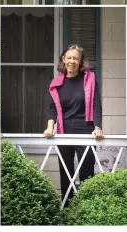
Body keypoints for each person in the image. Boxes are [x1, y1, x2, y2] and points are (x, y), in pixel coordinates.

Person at [44, 44, 104, 202]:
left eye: (75, 58)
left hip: (86, 130)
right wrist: (50, 127)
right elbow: (52, 109)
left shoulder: (89, 79)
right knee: (66, 173)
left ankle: (86, 208)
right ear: (63, 59)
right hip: (64, 131)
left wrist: (97, 127)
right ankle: (67, 209)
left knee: (87, 173)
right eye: (69, 58)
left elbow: (96, 104)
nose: (72, 61)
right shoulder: (57, 84)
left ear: (80, 61)